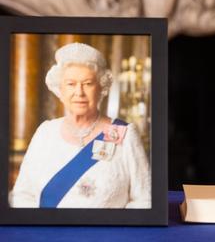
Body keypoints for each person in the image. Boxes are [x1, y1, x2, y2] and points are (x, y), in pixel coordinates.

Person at [10, 42, 151, 208]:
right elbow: (22, 194)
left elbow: (144, 200)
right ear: (60, 90)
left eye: (88, 83)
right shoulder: (45, 132)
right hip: (48, 233)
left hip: (106, 234)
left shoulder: (124, 134)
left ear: (101, 88)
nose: (79, 92)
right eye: (71, 84)